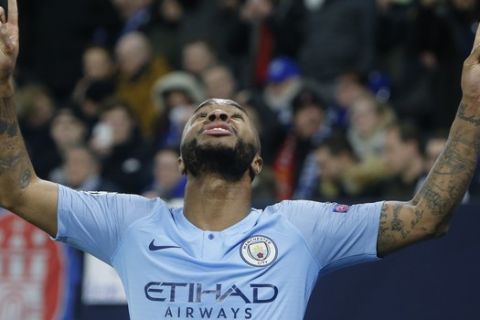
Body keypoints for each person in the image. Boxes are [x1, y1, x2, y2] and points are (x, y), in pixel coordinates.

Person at [1, 1, 480, 318]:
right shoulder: (129, 222)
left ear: (256, 163)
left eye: (235, 114)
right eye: (204, 112)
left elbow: (427, 218)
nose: (217, 112)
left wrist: (472, 106)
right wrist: (3, 86)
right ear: (182, 163)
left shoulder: (301, 227)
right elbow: (17, 190)